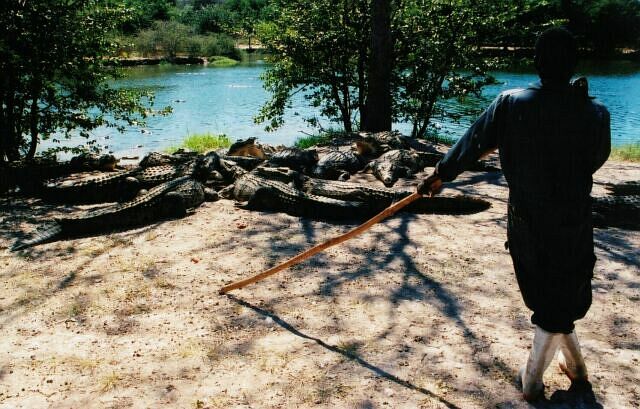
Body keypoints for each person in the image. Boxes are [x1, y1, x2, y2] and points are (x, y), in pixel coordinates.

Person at [417, 27, 610, 401]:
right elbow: (597, 159)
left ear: (536, 61)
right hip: (575, 218)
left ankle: (532, 380)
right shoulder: (596, 112)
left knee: (547, 297)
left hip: (527, 217)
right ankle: (575, 370)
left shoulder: (510, 103)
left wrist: (440, 174)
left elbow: (473, 142)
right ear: (574, 64)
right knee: (565, 288)